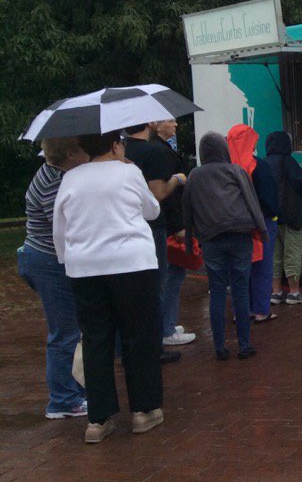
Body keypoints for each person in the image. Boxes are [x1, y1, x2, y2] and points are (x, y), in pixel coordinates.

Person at [53, 131, 165, 444]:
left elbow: (59, 228)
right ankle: (144, 410)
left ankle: (98, 419)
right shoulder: (129, 172)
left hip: (85, 268)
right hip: (132, 264)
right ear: (115, 145)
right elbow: (152, 210)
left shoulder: (71, 179)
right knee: (138, 335)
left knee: (96, 339)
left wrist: (68, 260)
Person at [17, 137, 91, 420]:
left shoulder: (56, 174)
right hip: (48, 263)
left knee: (70, 331)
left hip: (44, 260)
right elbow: (62, 225)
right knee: (65, 333)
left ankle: (71, 392)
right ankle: (62, 400)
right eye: (84, 149)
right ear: (71, 153)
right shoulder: (53, 182)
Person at [182, 132, 266, 360]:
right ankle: (245, 345)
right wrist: (262, 232)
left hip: (210, 238)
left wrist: (190, 241)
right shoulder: (235, 170)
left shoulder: (194, 176)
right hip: (240, 234)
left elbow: (187, 211)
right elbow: (252, 202)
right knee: (240, 289)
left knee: (217, 291)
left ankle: (219, 347)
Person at [123, 123, 190, 363]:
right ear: (151, 124)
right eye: (169, 120)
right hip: (155, 225)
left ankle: (139, 339)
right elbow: (159, 194)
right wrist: (177, 179)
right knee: (160, 281)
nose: (175, 124)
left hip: (128, 225)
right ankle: (161, 335)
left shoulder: (122, 151)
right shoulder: (154, 152)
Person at [226, 124, 280, 323]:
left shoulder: (225, 167)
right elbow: (269, 198)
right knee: (262, 266)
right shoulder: (259, 165)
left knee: (239, 268)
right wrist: (274, 215)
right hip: (261, 222)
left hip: (233, 224)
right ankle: (261, 311)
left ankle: (241, 310)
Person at [151, 119, 196, 347]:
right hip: (169, 224)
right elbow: (167, 196)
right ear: (157, 126)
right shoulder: (161, 153)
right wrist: (179, 226)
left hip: (164, 223)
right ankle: (166, 328)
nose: (175, 125)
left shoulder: (160, 149)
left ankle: (166, 323)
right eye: (170, 121)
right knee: (173, 275)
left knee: (169, 275)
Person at [265, 131, 302, 305]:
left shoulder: (264, 163)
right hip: (290, 214)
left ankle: (276, 292)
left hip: (271, 216)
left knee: (274, 255)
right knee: (292, 254)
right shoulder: (288, 161)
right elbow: (301, 183)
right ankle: (294, 292)